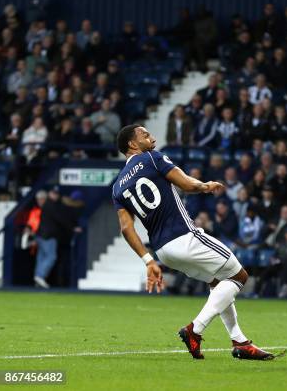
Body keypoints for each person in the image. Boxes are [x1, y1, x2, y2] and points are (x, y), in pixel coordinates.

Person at [112, 124, 275, 361]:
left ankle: (240, 341)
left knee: (218, 282)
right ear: (132, 144)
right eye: (145, 135)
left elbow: (126, 229)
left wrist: (148, 261)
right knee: (239, 277)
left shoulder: (117, 186)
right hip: (184, 236)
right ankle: (194, 329)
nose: (152, 137)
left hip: (163, 251)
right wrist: (205, 186)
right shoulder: (151, 158)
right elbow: (187, 184)